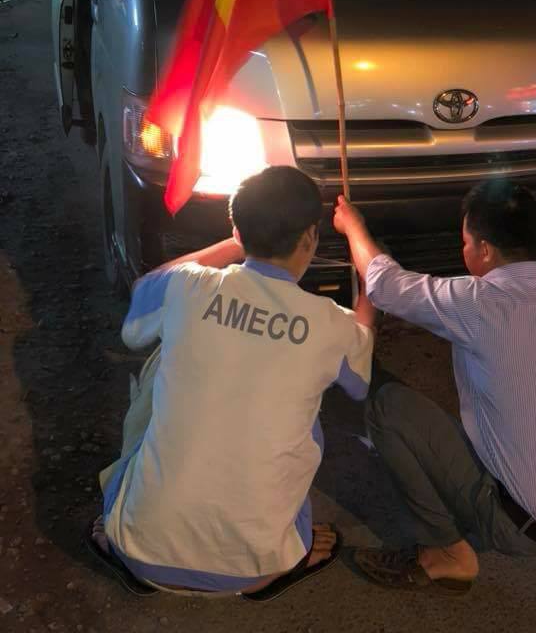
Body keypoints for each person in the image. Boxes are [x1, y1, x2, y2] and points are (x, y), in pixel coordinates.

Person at [90, 166, 375, 598]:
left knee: (163, 359)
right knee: (301, 402)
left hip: (138, 552)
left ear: (238, 229)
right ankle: (285, 558)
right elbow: (359, 380)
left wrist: (233, 244)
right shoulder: (330, 325)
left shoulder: (188, 287)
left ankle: (123, 532)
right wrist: (361, 247)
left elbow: (146, 291)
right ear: (310, 238)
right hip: (257, 567)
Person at [333, 180, 536, 596]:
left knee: (388, 407)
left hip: (519, 525)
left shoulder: (480, 303)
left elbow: (385, 284)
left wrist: (353, 227)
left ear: (484, 250)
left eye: (465, 242)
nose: (463, 250)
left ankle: (448, 552)